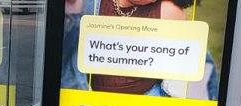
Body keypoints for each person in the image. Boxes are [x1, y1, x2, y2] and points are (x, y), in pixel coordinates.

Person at [61, 0, 218, 100]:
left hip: (145, 104)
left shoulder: (168, 11)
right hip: (86, 100)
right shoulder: (88, 4)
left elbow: (193, 71)